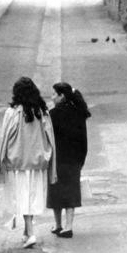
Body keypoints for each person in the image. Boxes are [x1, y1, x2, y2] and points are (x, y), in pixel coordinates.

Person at [0, 77, 56, 249]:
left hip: (18, 162)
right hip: (37, 163)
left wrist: (2, 160)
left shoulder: (12, 113)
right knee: (31, 197)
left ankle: (30, 232)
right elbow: (50, 137)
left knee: (21, 197)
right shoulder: (42, 112)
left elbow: (4, 137)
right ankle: (27, 232)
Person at [47, 82, 91, 238]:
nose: (51, 97)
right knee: (71, 191)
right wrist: (81, 158)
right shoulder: (79, 112)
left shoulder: (53, 115)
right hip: (74, 159)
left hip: (57, 158)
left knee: (56, 192)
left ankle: (58, 224)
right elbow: (83, 139)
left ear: (61, 96)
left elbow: (48, 139)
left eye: (54, 94)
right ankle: (69, 226)